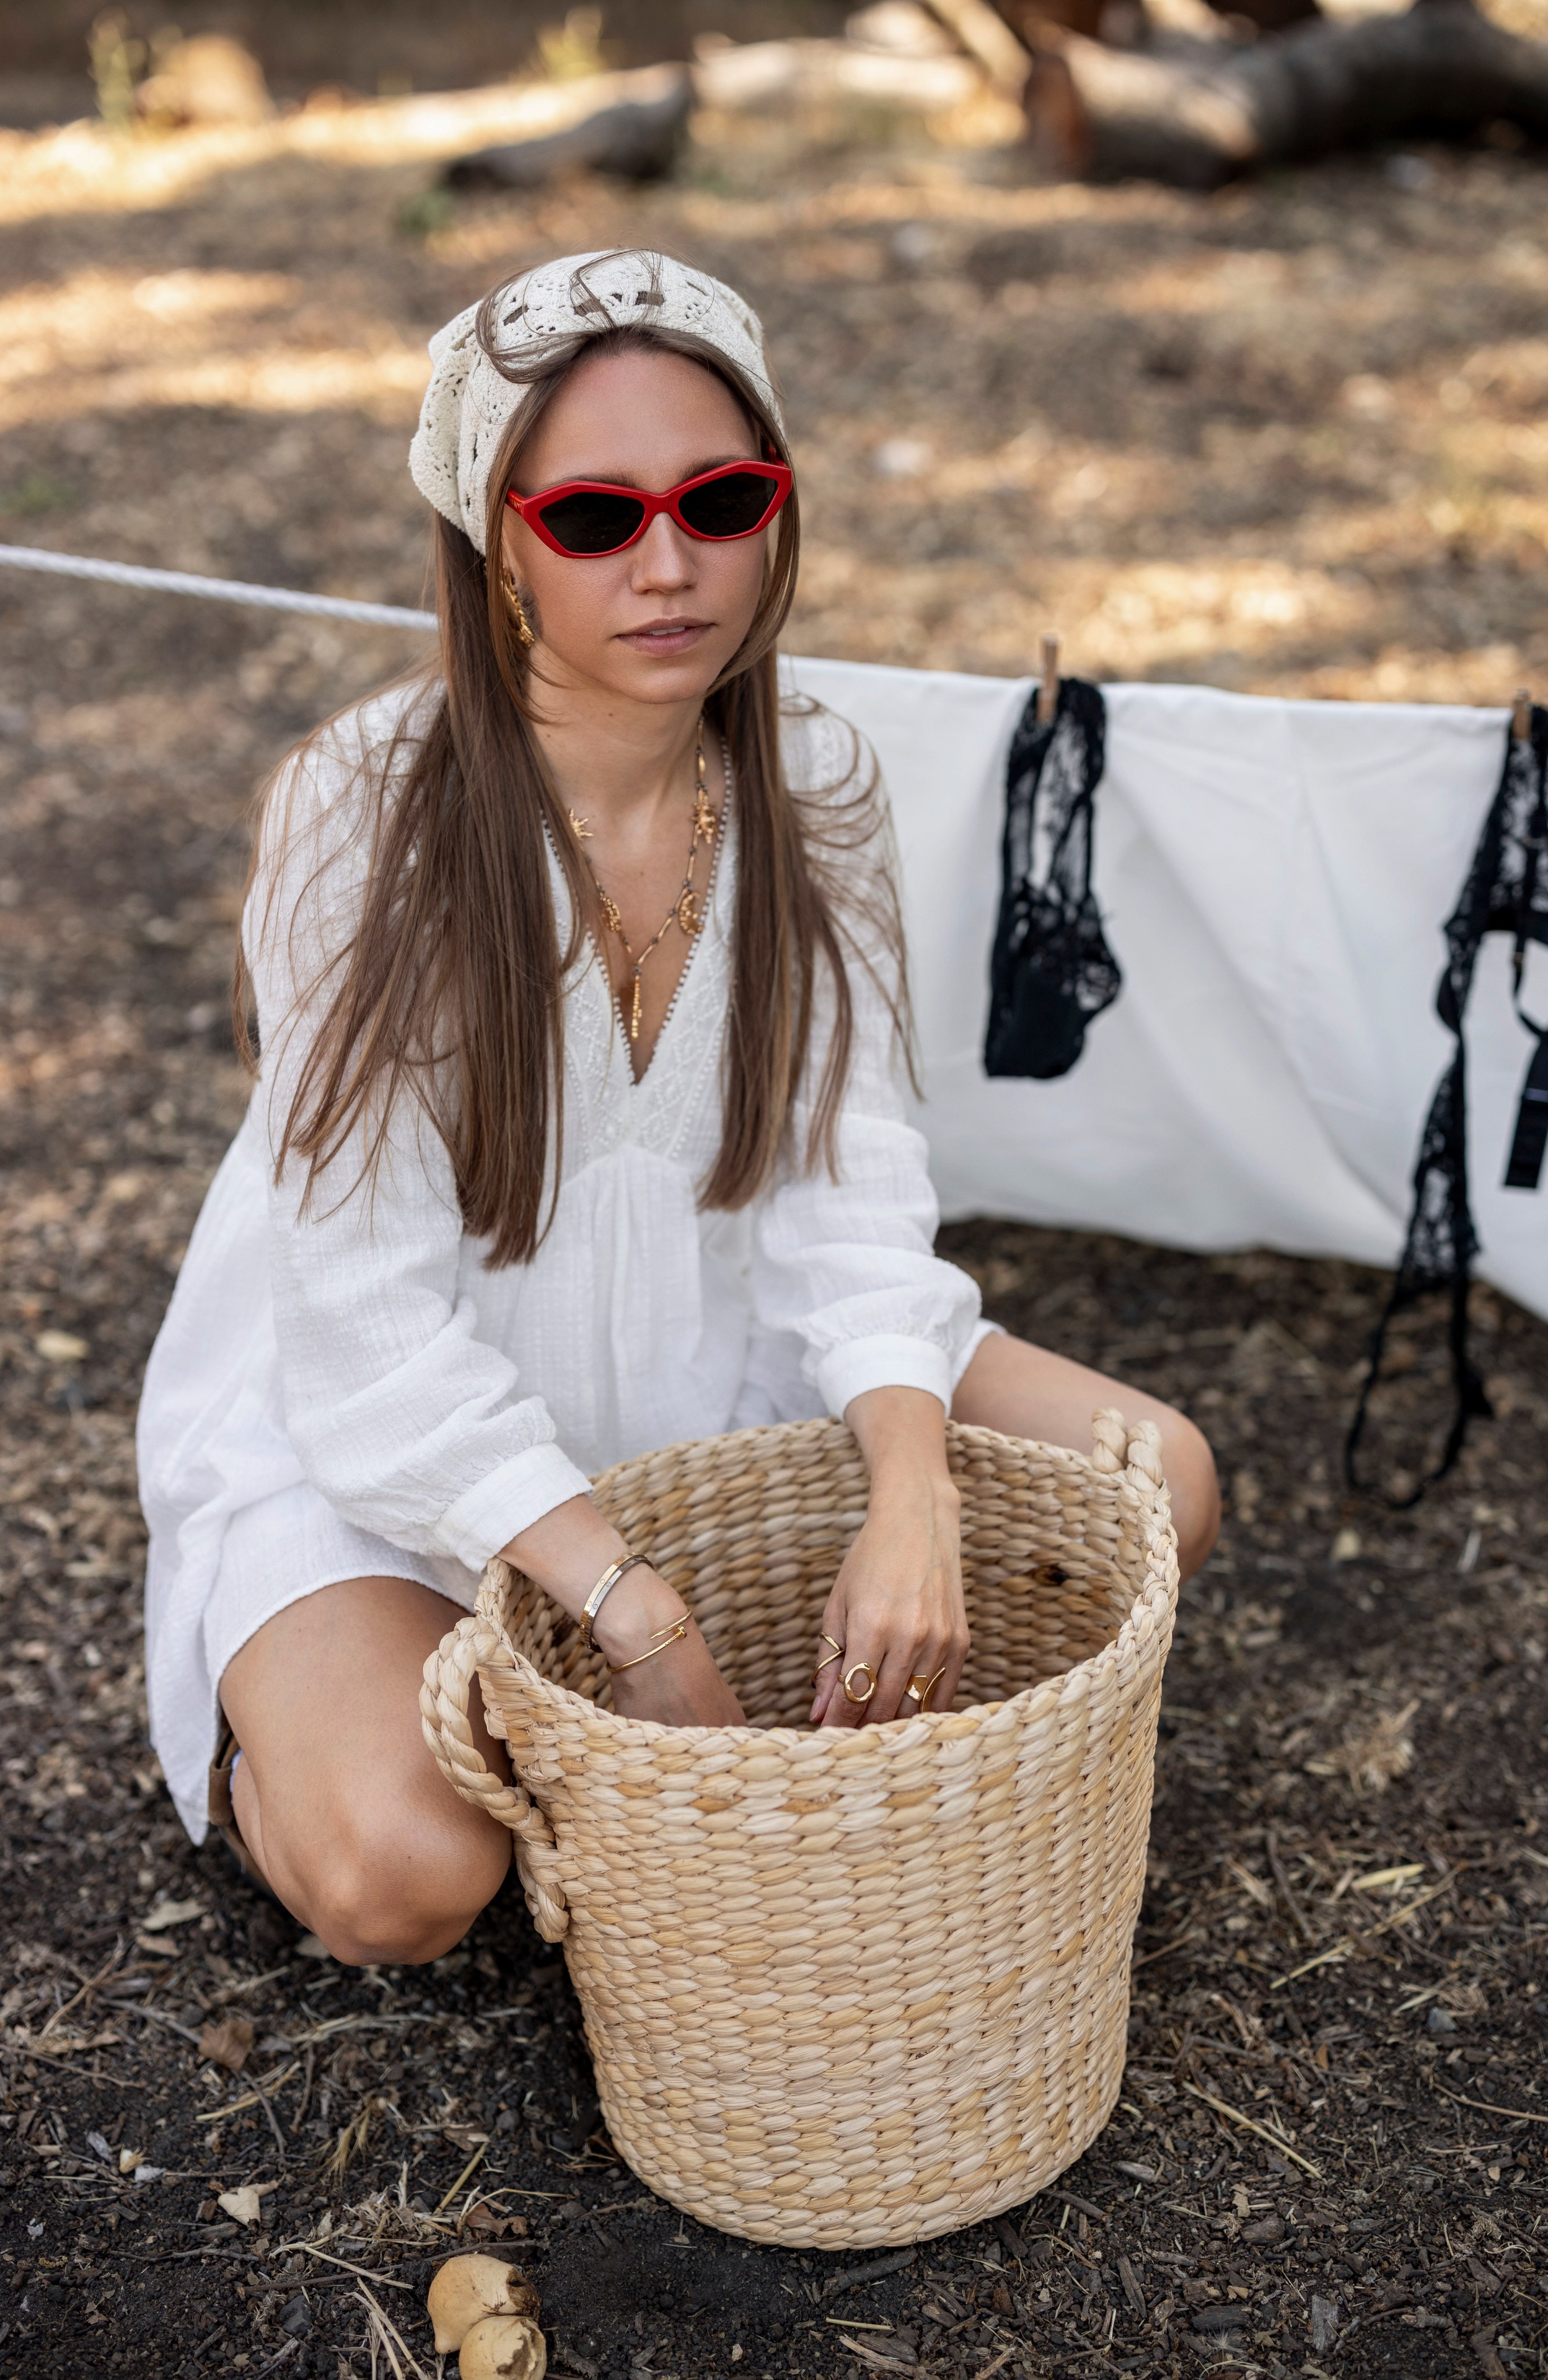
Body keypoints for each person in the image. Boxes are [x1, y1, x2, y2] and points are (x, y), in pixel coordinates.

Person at [137, 249, 1218, 1968]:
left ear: (775, 515)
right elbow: (358, 1324)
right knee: (406, 1884)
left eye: (723, 498)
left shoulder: (814, 796)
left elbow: (849, 1195)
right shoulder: (363, 819)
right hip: (391, 1420)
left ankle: (698, 1697)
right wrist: (642, 1621)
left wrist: (912, 1492)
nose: (668, 562)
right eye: (593, 517)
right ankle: (258, 1741)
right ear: (499, 545)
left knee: (1157, 1477)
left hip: (715, 1337)